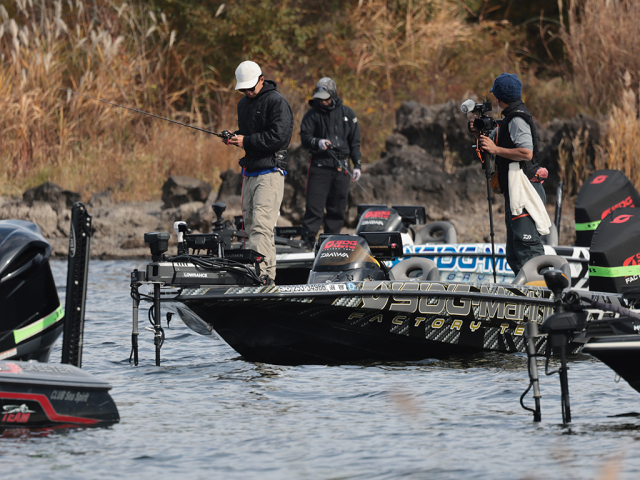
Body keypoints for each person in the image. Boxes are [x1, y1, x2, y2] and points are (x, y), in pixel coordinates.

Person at [469, 73, 549, 275]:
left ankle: (542, 296)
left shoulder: (517, 119)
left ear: (498, 98)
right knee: (514, 253)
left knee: (527, 247)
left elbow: (526, 152)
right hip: (515, 190)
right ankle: (528, 294)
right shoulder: (510, 118)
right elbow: (495, 141)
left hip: (524, 189)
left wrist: (496, 151)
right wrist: (479, 133)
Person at [223, 60, 293, 284]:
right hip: (250, 172)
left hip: (270, 172)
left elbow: (278, 138)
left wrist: (247, 140)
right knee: (252, 227)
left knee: (262, 227)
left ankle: (260, 275)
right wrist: (234, 137)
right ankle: (266, 277)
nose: (247, 92)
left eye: (251, 88)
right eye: (243, 89)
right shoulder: (243, 104)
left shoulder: (277, 102)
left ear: (262, 80)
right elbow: (247, 135)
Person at [299, 77, 362, 248]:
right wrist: (317, 142)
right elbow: (305, 137)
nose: (323, 102)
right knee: (314, 207)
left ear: (333, 95)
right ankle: (308, 242)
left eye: (326, 98)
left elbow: (354, 142)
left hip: (342, 168)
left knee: (337, 208)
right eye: (320, 98)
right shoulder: (311, 115)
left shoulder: (348, 114)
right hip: (319, 165)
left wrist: (357, 165)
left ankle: (331, 243)